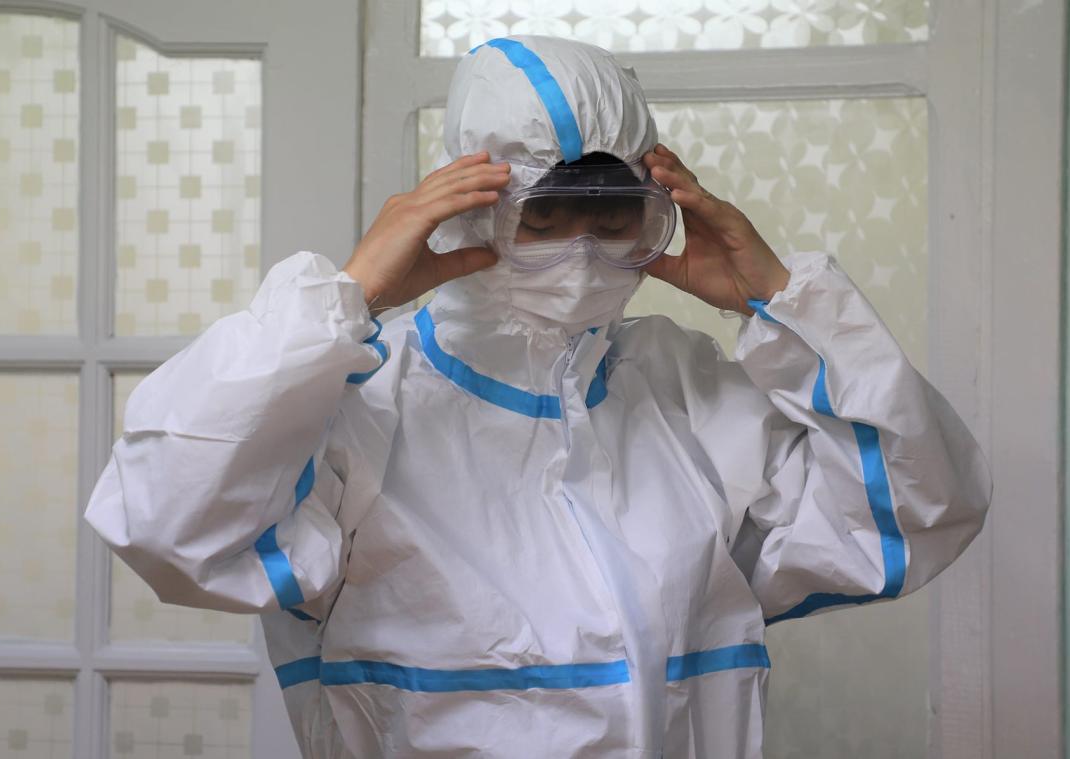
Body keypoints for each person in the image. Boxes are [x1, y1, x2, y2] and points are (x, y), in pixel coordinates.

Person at [86, 35, 991, 759]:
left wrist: (786, 305)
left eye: (613, 217)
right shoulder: (362, 397)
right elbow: (169, 524)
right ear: (474, 206)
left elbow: (915, 511)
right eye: (546, 217)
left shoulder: (680, 386)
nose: (583, 253)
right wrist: (346, 297)